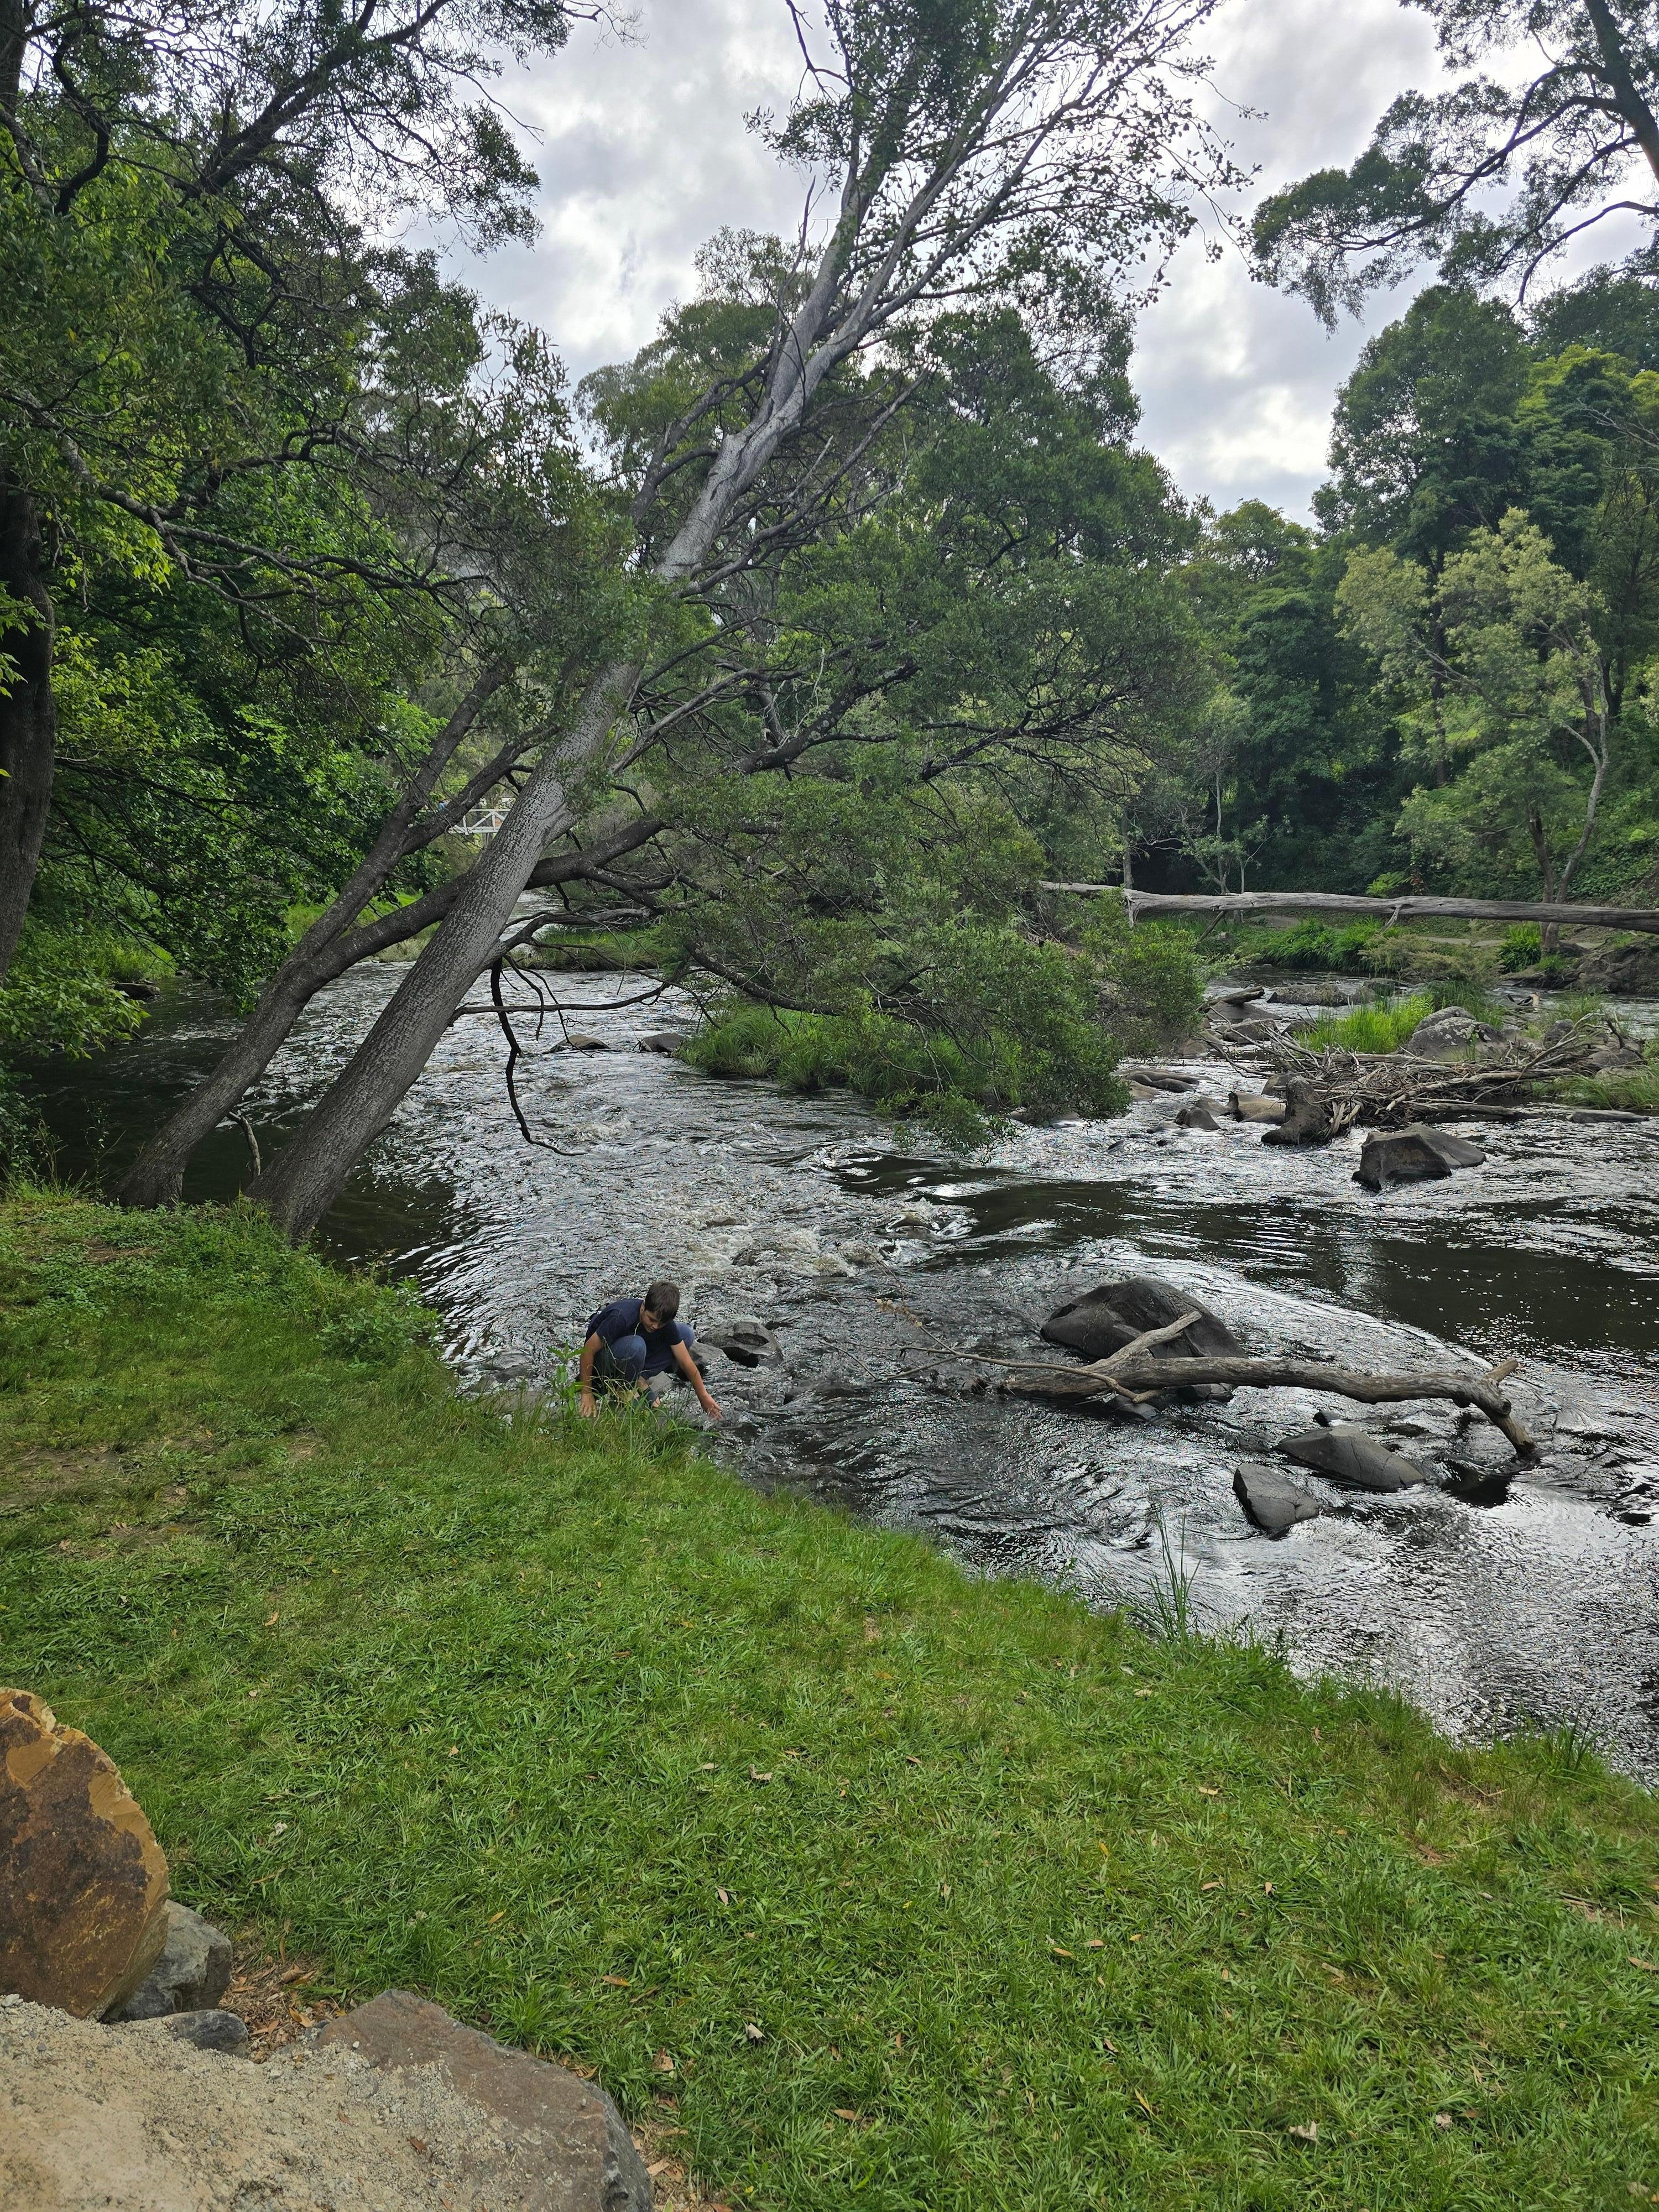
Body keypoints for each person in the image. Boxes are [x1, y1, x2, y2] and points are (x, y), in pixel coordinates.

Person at [577, 1280, 722, 1421]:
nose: (655, 1326)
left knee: (685, 1335)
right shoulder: (620, 1317)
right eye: (652, 1320)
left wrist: (703, 1396)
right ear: (643, 1306)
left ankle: (638, 1378)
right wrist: (586, 1392)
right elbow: (587, 1351)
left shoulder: (663, 1324)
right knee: (637, 1345)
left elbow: (685, 1361)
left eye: (662, 1323)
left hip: (631, 1355)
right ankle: (623, 1387)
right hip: (603, 1362)